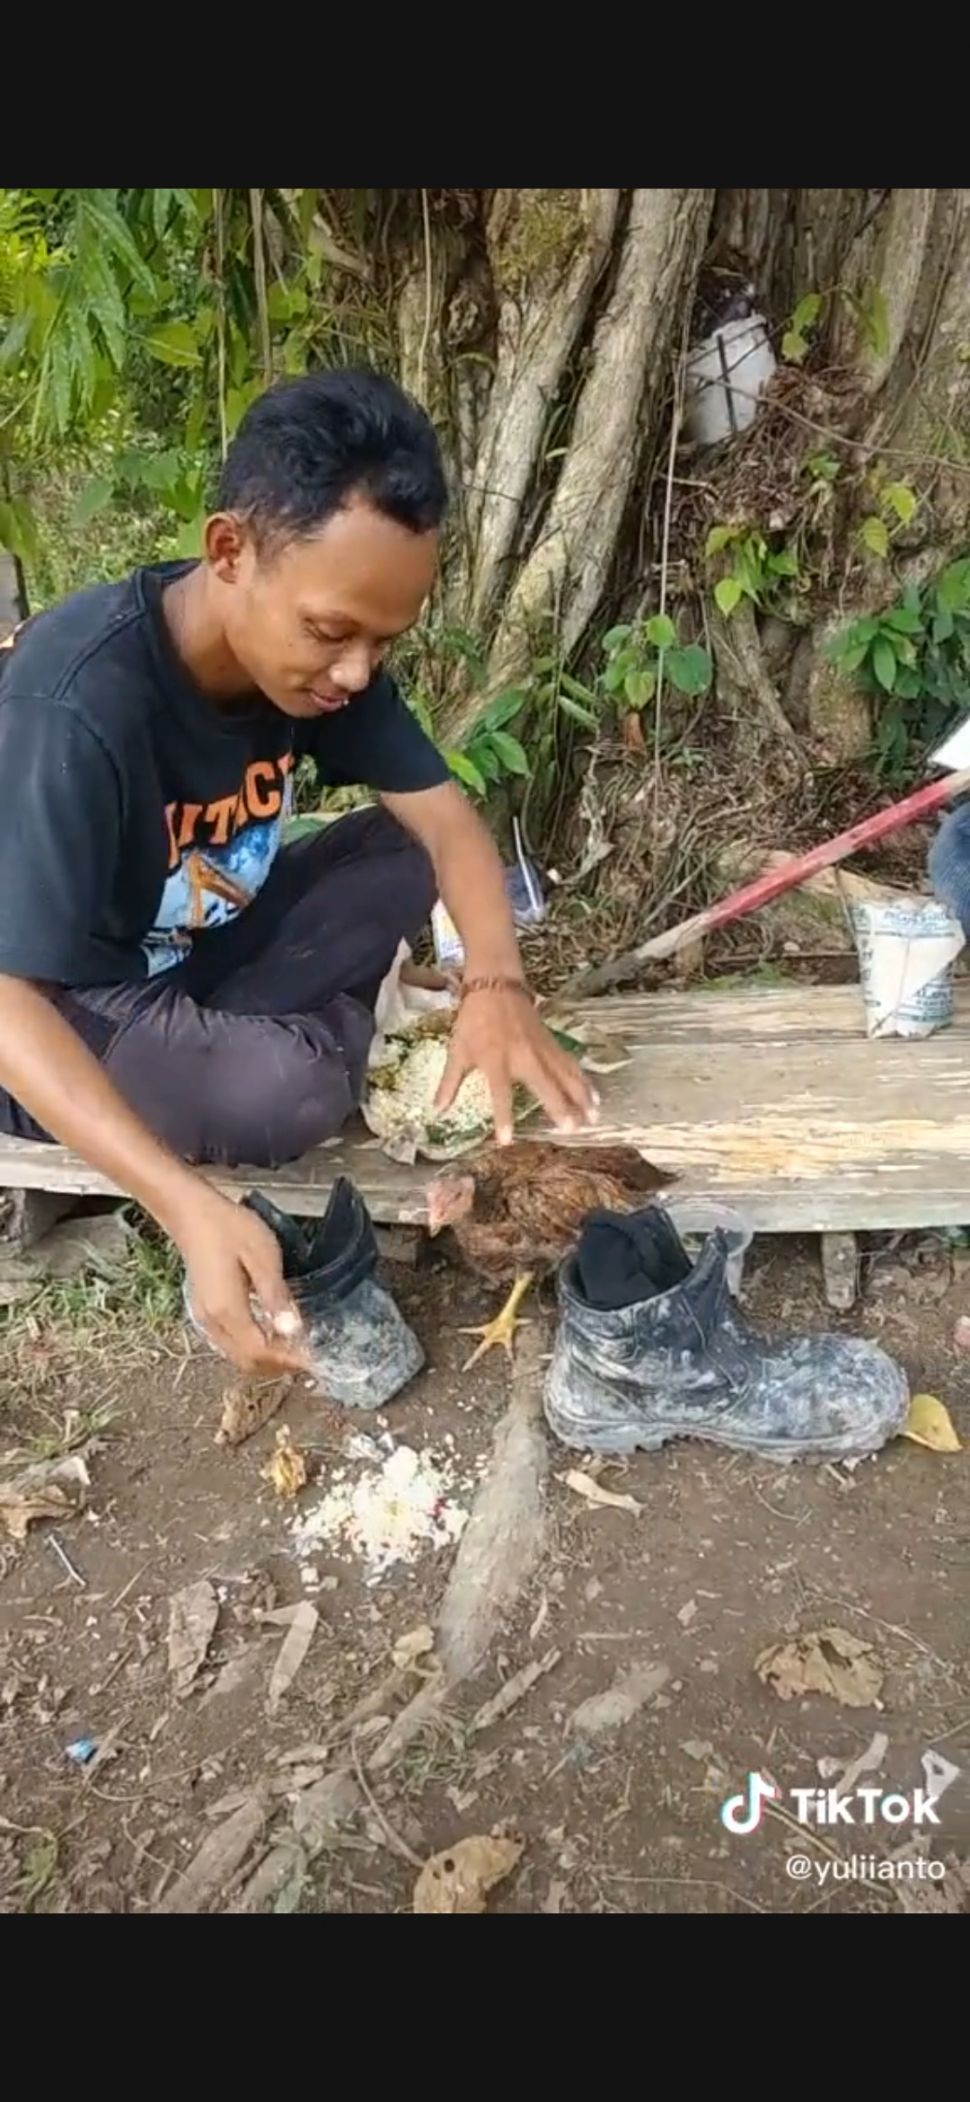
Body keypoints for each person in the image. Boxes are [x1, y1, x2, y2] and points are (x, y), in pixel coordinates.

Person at [0, 368, 595, 1377]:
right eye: (332, 631)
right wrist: (183, 1201)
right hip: (73, 1009)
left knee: (403, 850)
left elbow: (450, 822)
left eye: (383, 639)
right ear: (229, 550)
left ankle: (314, 1030)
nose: (358, 670)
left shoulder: (325, 663)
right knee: (286, 1092)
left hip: (205, 947)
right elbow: (9, 998)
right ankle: (316, 1042)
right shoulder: (75, 702)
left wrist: (498, 983)